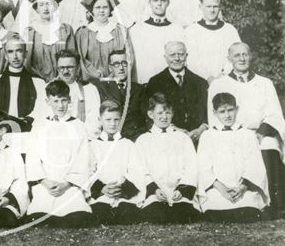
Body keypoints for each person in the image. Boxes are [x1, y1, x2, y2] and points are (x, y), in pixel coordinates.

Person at [208, 42, 285, 216]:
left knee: (270, 145)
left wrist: (261, 132)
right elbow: (214, 118)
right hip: (231, 135)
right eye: (237, 55)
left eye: (245, 55)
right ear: (229, 59)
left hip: (260, 133)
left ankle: (271, 201)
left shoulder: (264, 83)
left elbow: (274, 114)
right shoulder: (219, 84)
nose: (242, 59)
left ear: (251, 57)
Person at [25, 80, 93, 227]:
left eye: (63, 100)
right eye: (55, 101)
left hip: (69, 185)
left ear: (69, 100)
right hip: (46, 185)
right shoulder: (39, 126)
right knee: (37, 216)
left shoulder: (79, 127)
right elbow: (33, 158)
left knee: (77, 215)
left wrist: (66, 184)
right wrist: (45, 182)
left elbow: (83, 159)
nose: (60, 106)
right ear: (47, 101)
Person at [198, 92, 269, 223]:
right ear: (214, 112)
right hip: (218, 189)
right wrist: (222, 189)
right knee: (214, 208)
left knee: (249, 209)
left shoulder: (247, 134)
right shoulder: (207, 136)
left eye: (230, 110)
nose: (227, 115)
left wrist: (243, 188)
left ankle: (246, 203)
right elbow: (204, 167)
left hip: (243, 188)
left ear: (237, 109)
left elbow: (255, 165)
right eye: (222, 111)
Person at [136, 93, 200, 224]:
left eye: (168, 112)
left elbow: (192, 167)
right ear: (150, 114)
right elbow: (140, 169)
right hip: (156, 192)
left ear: (173, 113)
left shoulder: (183, 138)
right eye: (159, 113)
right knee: (157, 214)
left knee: (183, 213)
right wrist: (154, 190)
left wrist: (182, 190)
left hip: (179, 192)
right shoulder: (143, 140)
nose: (164, 117)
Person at [89, 101, 146, 225]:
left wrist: (122, 189)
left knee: (127, 214)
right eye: (108, 119)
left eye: (116, 119)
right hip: (102, 194)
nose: (112, 124)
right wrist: (102, 188)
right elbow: (89, 172)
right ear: (100, 119)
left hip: (124, 193)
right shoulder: (93, 145)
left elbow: (136, 171)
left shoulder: (128, 145)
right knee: (100, 213)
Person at [145, 41, 209, 143]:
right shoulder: (155, 82)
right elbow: (149, 114)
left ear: (186, 56)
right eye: (172, 55)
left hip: (198, 138)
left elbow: (208, 111)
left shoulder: (200, 82)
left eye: (181, 54)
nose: (177, 58)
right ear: (165, 57)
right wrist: (174, 129)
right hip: (168, 138)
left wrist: (201, 129)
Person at [0, 34, 48, 129]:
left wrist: (23, 121)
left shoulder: (38, 82)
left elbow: (39, 111)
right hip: (1, 128)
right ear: (6, 56)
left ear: (26, 54)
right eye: (10, 52)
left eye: (19, 51)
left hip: (28, 129)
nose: (15, 56)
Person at [129, 0, 184, 84]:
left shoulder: (177, 29)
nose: (159, 4)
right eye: (155, 0)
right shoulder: (136, 30)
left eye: (163, 0)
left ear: (168, 3)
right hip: (145, 82)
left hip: (170, 83)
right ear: (149, 3)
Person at [22, 0, 76, 82]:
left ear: (55, 7)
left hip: (64, 80)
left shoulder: (65, 30)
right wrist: (39, 80)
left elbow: (72, 58)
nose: (46, 8)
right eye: (41, 5)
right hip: (37, 81)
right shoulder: (30, 32)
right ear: (36, 9)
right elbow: (27, 63)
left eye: (49, 4)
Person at [185, 0, 241, 83]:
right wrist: (208, 77)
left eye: (215, 6)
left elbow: (237, 55)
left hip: (226, 80)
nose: (212, 10)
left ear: (220, 8)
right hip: (199, 82)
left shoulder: (230, 30)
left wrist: (223, 75)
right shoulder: (191, 30)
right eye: (208, 6)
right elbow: (191, 60)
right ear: (200, 6)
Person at [76, 0, 131, 82]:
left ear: (110, 10)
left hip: (116, 80)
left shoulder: (120, 31)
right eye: (98, 7)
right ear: (91, 10)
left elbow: (129, 57)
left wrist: (113, 75)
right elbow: (81, 59)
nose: (101, 10)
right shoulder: (83, 33)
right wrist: (94, 73)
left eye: (105, 7)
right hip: (92, 81)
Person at [95, 50, 146, 141]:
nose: (121, 68)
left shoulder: (139, 89)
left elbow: (145, 117)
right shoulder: (102, 88)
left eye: (124, 63)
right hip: (111, 138)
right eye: (116, 64)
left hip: (136, 137)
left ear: (129, 65)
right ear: (110, 68)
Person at [53, 49, 101, 137]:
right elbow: (42, 118)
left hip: (82, 139)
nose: (65, 71)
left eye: (70, 67)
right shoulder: (48, 89)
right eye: (62, 68)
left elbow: (95, 123)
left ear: (78, 68)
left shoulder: (89, 89)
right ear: (57, 69)